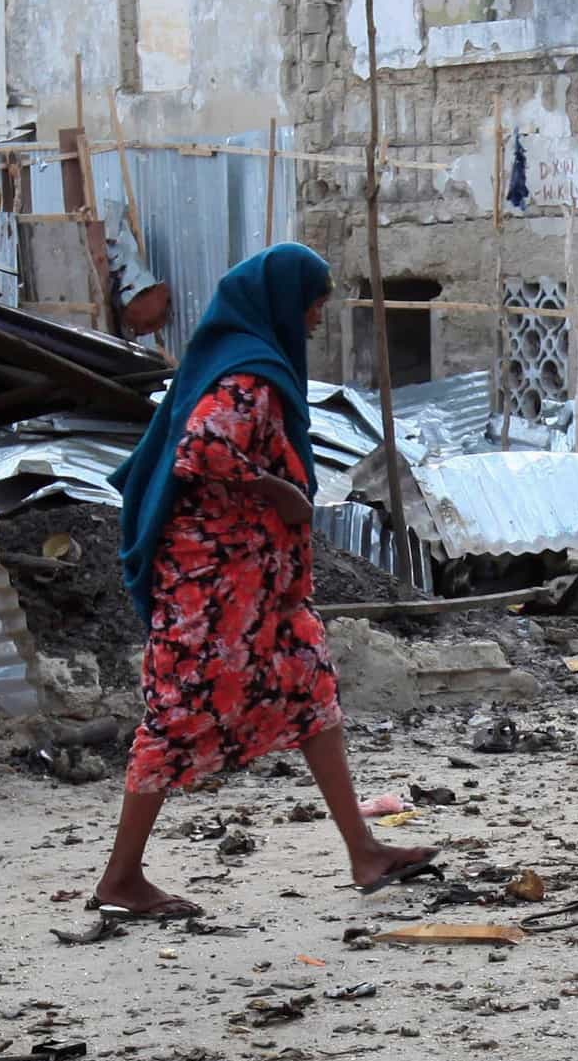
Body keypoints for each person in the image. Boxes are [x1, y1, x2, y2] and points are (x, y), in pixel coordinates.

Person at [96, 243, 431, 919]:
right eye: (312, 302)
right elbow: (202, 448)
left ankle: (364, 850)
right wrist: (277, 491)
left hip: (256, 591)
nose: (315, 317)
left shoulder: (246, 361)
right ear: (282, 299)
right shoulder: (247, 374)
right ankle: (120, 879)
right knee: (175, 718)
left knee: (310, 688)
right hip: (211, 588)